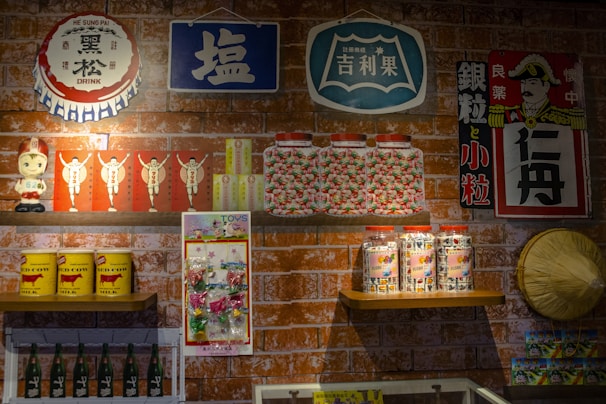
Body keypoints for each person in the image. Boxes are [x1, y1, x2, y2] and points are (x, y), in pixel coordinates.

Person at [488, 53, 585, 130]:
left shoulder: (565, 118)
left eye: (532, 83)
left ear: (546, 86)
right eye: (523, 83)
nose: (525, 88)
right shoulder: (506, 116)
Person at [14, 137, 49, 212]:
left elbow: (43, 188)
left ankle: (35, 206)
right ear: (19, 164)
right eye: (26, 164)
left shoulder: (39, 181)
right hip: (24, 199)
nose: (32, 168)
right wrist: (21, 190)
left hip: (35, 199)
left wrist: (39, 191)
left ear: (45, 166)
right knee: (23, 205)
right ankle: (24, 206)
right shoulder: (21, 181)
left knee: (36, 206)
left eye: (39, 164)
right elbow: (17, 188)